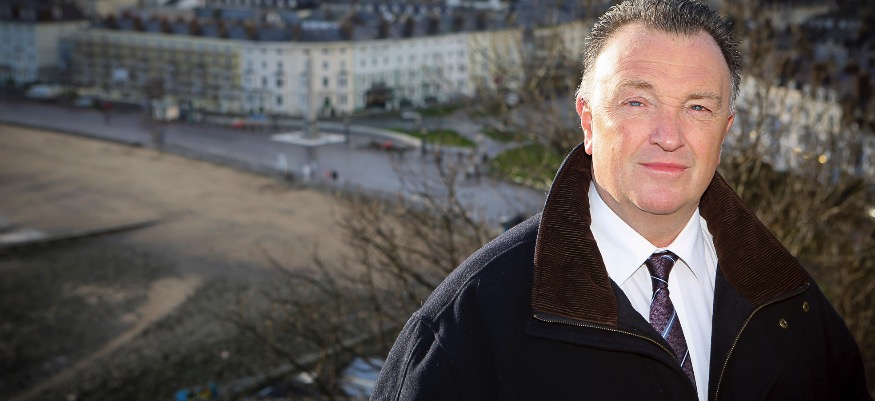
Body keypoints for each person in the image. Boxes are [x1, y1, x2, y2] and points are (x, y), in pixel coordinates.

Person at [371, 1, 872, 400]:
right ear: (588, 122)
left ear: (725, 132)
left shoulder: (793, 307)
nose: (669, 136)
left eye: (697, 107)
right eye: (637, 102)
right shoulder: (467, 327)